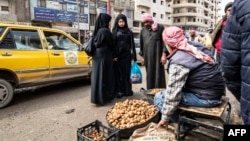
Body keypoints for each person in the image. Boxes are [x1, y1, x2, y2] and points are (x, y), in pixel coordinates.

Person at [155, 26, 225, 129]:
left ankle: (185, 124)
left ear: (168, 43)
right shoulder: (195, 46)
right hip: (215, 91)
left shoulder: (179, 60)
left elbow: (173, 96)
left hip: (208, 98)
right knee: (173, 92)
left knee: (159, 97)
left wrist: (165, 118)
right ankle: (187, 117)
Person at [221, 0, 250, 124]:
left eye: (230, 10)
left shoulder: (242, 6)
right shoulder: (221, 25)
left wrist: (243, 95)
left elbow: (230, 69)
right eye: (227, 10)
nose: (229, 12)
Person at [90, 13, 115, 105]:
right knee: (105, 77)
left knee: (97, 77)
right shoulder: (105, 31)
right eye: (109, 21)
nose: (109, 23)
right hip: (105, 56)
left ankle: (97, 98)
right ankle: (104, 98)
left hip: (97, 56)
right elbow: (112, 44)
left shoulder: (98, 31)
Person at [139, 13, 168, 89]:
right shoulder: (143, 30)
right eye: (144, 22)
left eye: (147, 22)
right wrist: (142, 57)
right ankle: (150, 92)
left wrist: (164, 54)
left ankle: (160, 93)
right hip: (148, 58)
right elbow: (141, 44)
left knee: (159, 75)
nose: (146, 24)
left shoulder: (160, 28)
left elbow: (165, 42)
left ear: (151, 21)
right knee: (149, 75)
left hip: (158, 57)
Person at [112, 14, 137, 98]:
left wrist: (134, 57)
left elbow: (132, 45)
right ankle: (119, 91)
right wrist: (114, 55)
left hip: (126, 57)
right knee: (118, 74)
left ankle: (127, 90)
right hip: (117, 57)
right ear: (117, 22)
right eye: (120, 21)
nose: (121, 23)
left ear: (125, 22)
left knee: (126, 74)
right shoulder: (114, 31)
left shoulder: (129, 32)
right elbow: (113, 45)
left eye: (123, 21)